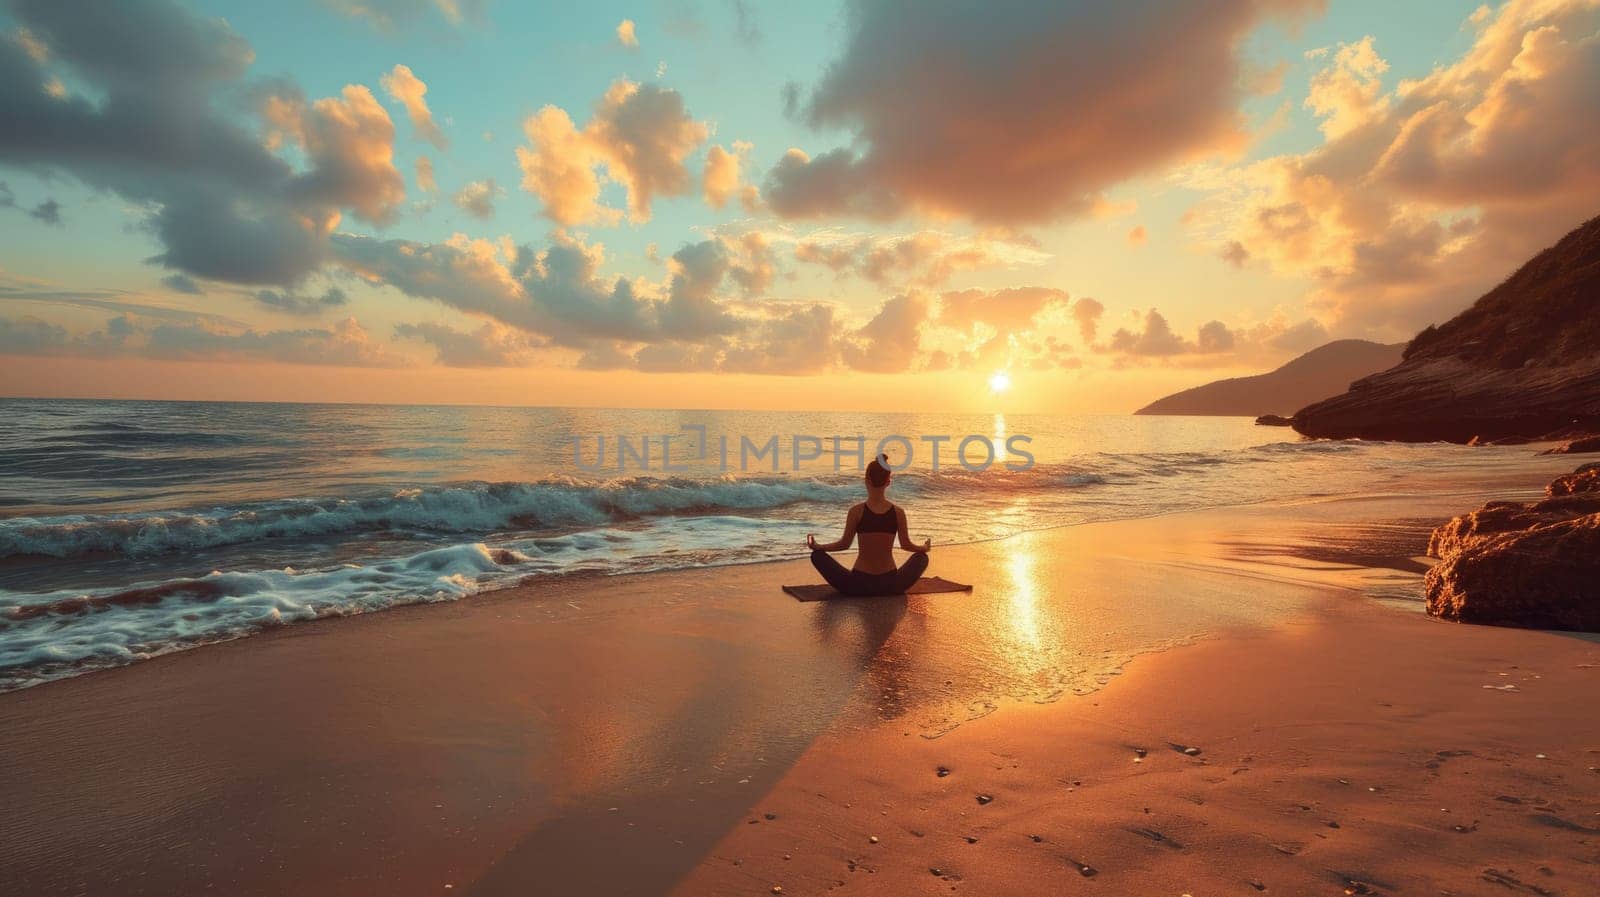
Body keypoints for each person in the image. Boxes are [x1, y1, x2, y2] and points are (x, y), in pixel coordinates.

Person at [806, 454, 931, 596]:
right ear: (888, 482)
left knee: (817, 556)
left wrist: (819, 547)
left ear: (866, 480)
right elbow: (906, 545)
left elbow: (844, 544)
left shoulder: (856, 511)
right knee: (922, 558)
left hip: (859, 585)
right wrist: (924, 548)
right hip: (890, 584)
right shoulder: (898, 512)